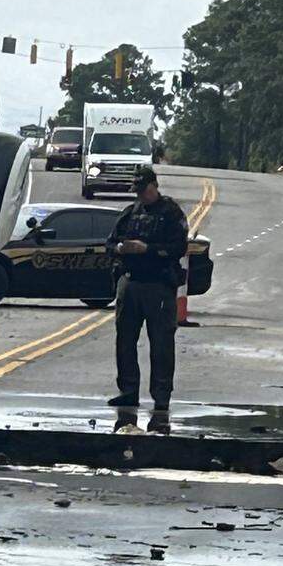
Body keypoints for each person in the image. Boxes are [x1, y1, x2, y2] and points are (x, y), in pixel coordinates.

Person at [105, 167, 188, 434]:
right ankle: (128, 390)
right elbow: (109, 244)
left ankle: (161, 396)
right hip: (130, 283)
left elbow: (179, 247)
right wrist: (121, 248)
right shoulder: (130, 213)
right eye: (138, 191)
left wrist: (148, 249)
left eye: (145, 190)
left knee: (161, 343)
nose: (142, 195)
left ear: (155, 186)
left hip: (158, 285)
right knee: (125, 340)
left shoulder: (171, 213)